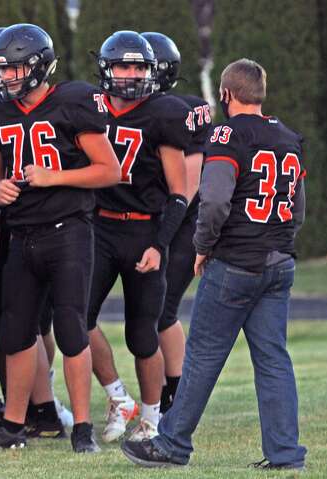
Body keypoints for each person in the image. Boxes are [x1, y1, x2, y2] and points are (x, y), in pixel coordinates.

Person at [122, 58, 308, 471]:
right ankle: (285, 453)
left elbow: (216, 201)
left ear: (226, 94)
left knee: (203, 356)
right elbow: (296, 210)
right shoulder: (289, 137)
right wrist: (278, 245)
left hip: (236, 262)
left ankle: (171, 444)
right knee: (274, 359)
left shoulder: (227, 135)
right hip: (279, 264)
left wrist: (202, 246)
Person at [0, 23, 120, 453]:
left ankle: (83, 429)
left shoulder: (72, 102)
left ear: (37, 66)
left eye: (14, 69)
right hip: (21, 234)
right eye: (2, 70)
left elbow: (109, 170)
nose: (6, 78)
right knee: (14, 333)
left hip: (69, 231)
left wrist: (55, 177)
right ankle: (13, 425)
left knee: (71, 329)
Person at [83, 31, 193, 442]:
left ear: (151, 71)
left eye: (139, 67)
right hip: (98, 226)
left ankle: (151, 418)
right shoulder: (88, 108)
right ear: (107, 69)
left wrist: (159, 243)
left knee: (142, 333)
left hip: (144, 227)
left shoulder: (163, 113)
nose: (131, 75)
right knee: (76, 319)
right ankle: (117, 397)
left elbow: (180, 194)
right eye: (124, 66)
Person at [141, 31, 212, 414]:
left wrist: (161, 234)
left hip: (182, 222)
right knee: (153, 312)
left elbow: (189, 184)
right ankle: (172, 394)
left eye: (142, 68)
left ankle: (178, 396)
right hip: (153, 221)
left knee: (163, 310)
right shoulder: (131, 110)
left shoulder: (182, 110)